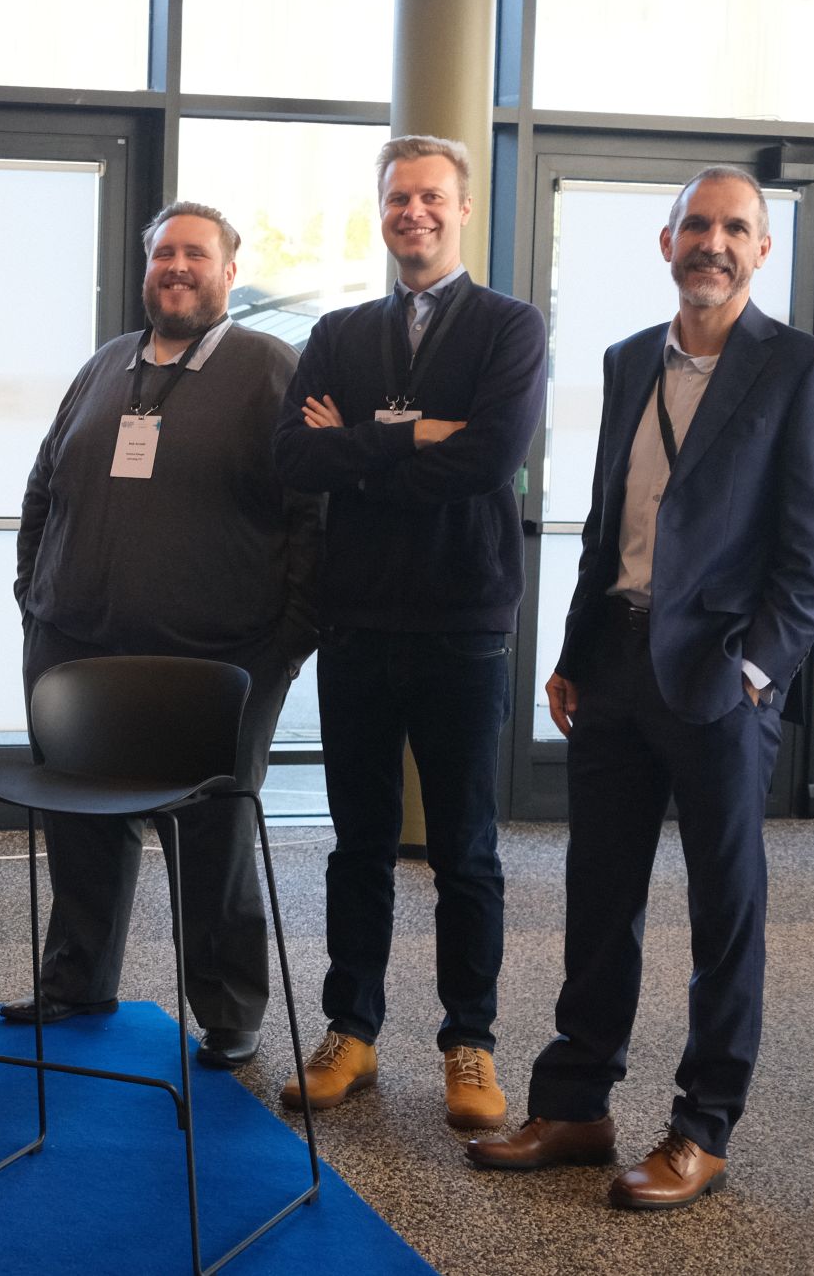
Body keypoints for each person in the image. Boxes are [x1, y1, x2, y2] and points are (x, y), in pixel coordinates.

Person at [467, 167, 814, 1208]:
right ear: (666, 240)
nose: (711, 242)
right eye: (695, 224)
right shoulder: (628, 357)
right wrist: (570, 652)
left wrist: (755, 671)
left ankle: (701, 1127)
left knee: (725, 910)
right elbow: (608, 523)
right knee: (598, 894)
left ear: (761, 248)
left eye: (733, 227)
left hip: (721, 679)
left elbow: (812, 555)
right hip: (615, 665)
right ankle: (575, 1105)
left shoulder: (800, 369)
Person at [272, 136, 546, 1128]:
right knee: (357, 843)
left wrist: (356, 450)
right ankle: (350, 1030)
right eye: (397, 197)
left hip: (461, 624)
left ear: (462, 208)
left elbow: (490, 460)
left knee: (465, 849)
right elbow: (290, 457)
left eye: (431, 196)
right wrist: (414, 432)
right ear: (381, 210)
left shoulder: (510, 328)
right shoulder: (340, 331)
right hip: (355, 621)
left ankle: (469, 1041)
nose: (413, 212)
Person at [8, 200, 321, 1068]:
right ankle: (77, 979)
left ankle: (228, 1010)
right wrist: (36, 595)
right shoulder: (105, 365)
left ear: (229, 272)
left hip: (217, 662)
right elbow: (43, 487)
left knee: (211, 836)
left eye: (196, 254)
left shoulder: (269, 369)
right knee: (80, 826)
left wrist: (286, 642)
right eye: (163, 254)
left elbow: (313, 514)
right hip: (76, 646)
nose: (176, 267)